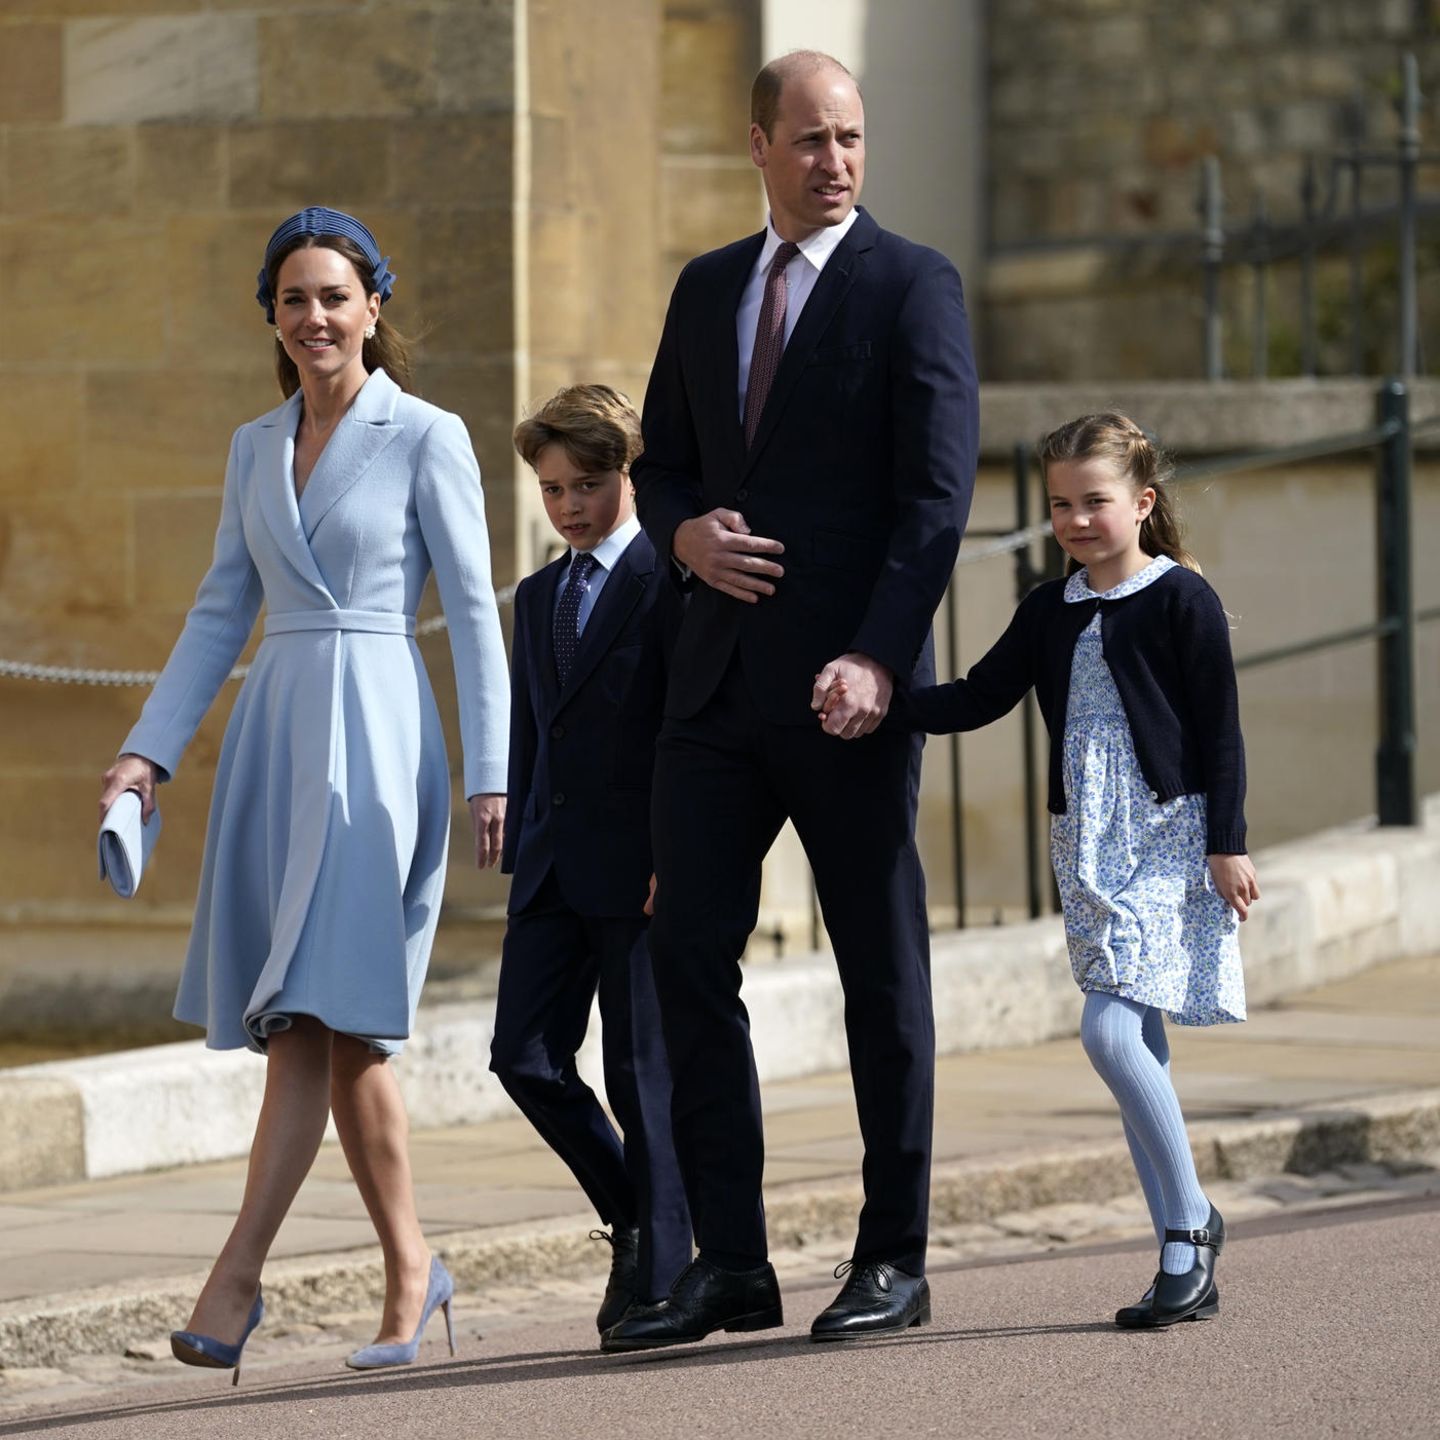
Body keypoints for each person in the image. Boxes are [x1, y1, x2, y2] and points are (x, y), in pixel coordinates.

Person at [601, 52, 978, 1353]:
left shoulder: (911, 284)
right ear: (758, 143)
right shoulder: (708, 288)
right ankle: (734, 1267)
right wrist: (687, 535)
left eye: (853, 139)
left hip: (848, 699)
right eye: (811, 139)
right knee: (685, 960)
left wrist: (878, 656)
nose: (837, 161)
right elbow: (660, 469)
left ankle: (894, 1256)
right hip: (711, 695)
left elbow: (935, 504)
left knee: (882, 971)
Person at [97, 207, 509, 1379]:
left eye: (335, 296)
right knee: (329, 1032)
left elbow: (476, 613)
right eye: (293, 299)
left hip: (379, 741)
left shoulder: (427, 434)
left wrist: (495, 773)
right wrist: (147, 753)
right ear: (271, 319)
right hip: (282, 736)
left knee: (318, 1022)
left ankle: (237, 1280)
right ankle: (410, 1268)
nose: (315, 317)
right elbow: (218, 610)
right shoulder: (251, 446)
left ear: (374, 304)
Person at [853, 412, 1258, 1328]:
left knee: (1111, 1036)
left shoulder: (1181, 599)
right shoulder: (1047, 608)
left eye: (1097, 502)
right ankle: (1180, 1248)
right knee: (1137, 1049)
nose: (1077, 520)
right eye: (1060, 505)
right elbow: (978, 696)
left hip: (1166, 836)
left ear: (1143, 503)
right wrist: (882, 698)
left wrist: (1227, 843)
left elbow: (1222, 731)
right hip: (1086, 843)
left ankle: (1191, 1227)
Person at [490, 384, 691, 1335]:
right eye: (552, 487)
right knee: (523, 1058)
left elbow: (683, 736)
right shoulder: (535, 598)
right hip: (551, 867)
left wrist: (677, 852)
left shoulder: (668, 580)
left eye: (589, 483)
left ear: (630, 477)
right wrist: (524, 840)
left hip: (642, 867)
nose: (570, 505)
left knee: (638, 1072)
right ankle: (636, 1216)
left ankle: (657, 1268)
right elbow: (536, 732)